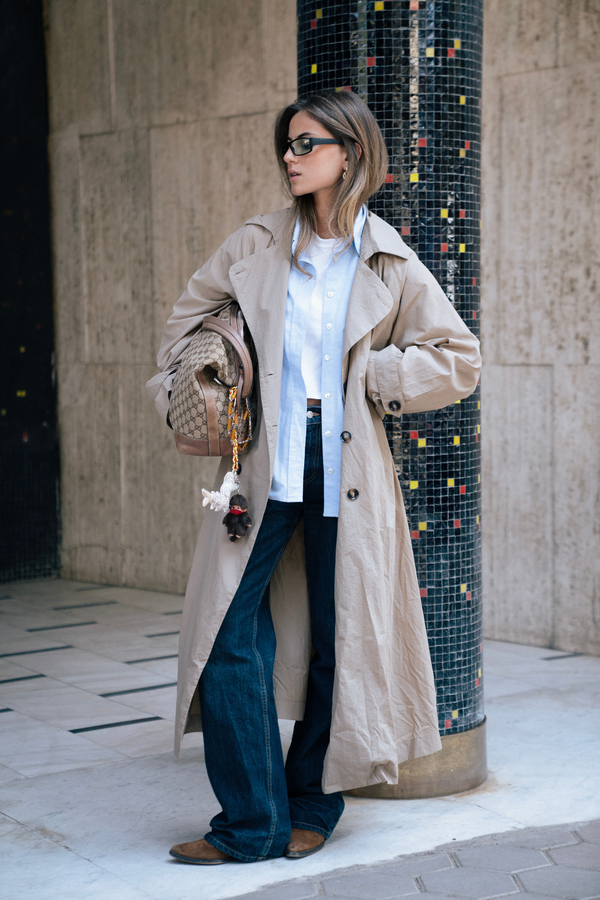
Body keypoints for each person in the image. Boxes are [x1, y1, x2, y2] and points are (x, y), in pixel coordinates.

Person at [146, 90, 481, 865]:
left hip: (346, 464)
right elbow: (181, 331)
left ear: (349, 152)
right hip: (259, 461)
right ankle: (250, 822)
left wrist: (377, 377)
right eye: (287, 144)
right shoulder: (255, 243)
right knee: (227, 635)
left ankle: (311, 806)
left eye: (306, 143)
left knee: (341, 638)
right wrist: (204, 384)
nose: (290, 156)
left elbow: (458, 357)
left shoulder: (387, 258)